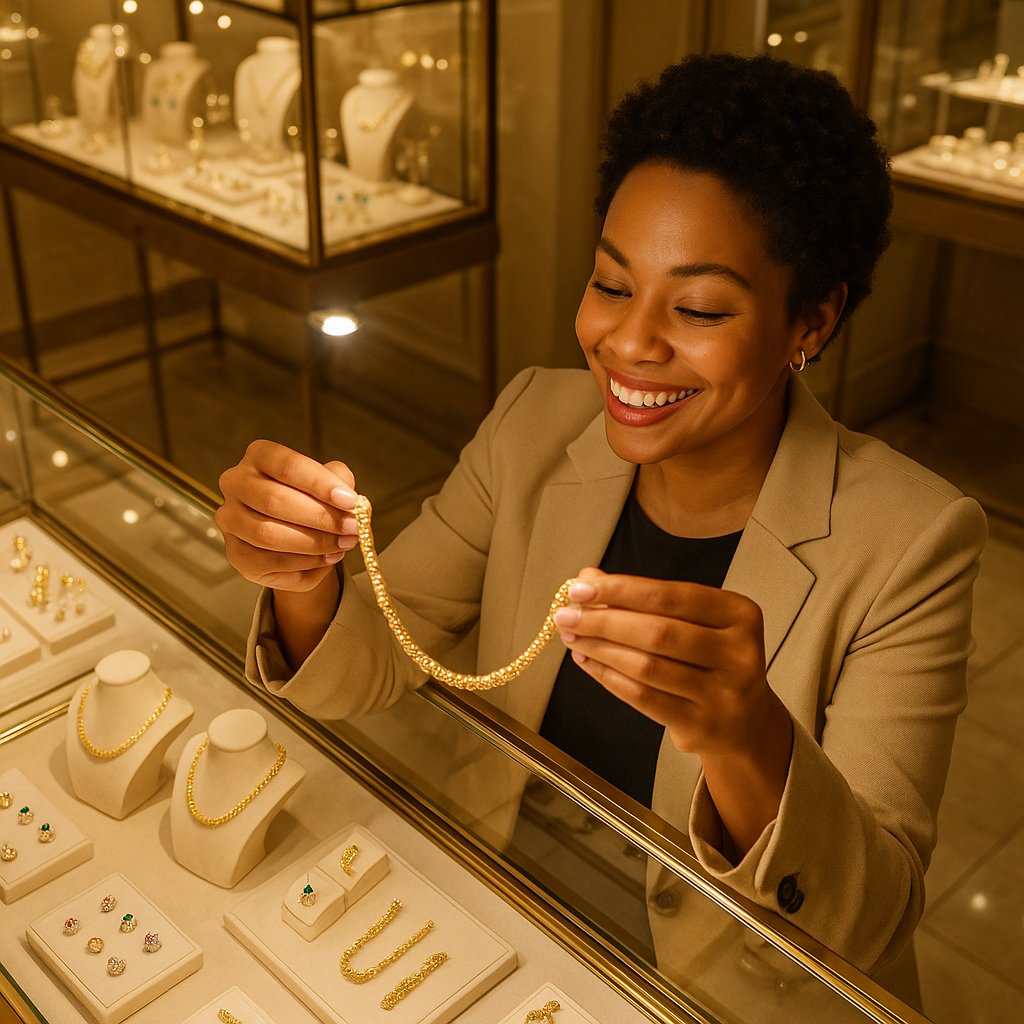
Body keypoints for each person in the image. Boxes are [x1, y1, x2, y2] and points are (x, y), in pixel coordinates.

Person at [217, 53, 986, 994]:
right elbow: (379, 654)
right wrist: (303, 577)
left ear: (810, 324)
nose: (628, 343)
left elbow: (870, 923)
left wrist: (748, 740)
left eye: (698, 307)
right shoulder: (534, 423)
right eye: (613, 286)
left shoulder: (913, 541)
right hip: (504, 922)